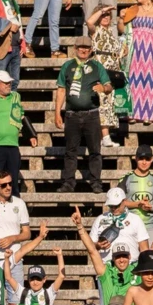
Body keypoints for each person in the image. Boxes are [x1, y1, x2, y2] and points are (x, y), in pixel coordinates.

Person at [54, 36, 112, 193]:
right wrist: (57, 112)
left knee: (95, 150)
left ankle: (96, 183)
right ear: (75, 48)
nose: (84, 50)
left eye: (87, 47)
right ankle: (68, 183)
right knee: (70, 151)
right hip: (72, 114)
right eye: (81, 47)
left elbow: (109, 85)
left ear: (91, 49)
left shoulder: (96, 66)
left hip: (91, 114)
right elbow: (61, 90)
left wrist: (103, 88)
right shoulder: (67, 66)